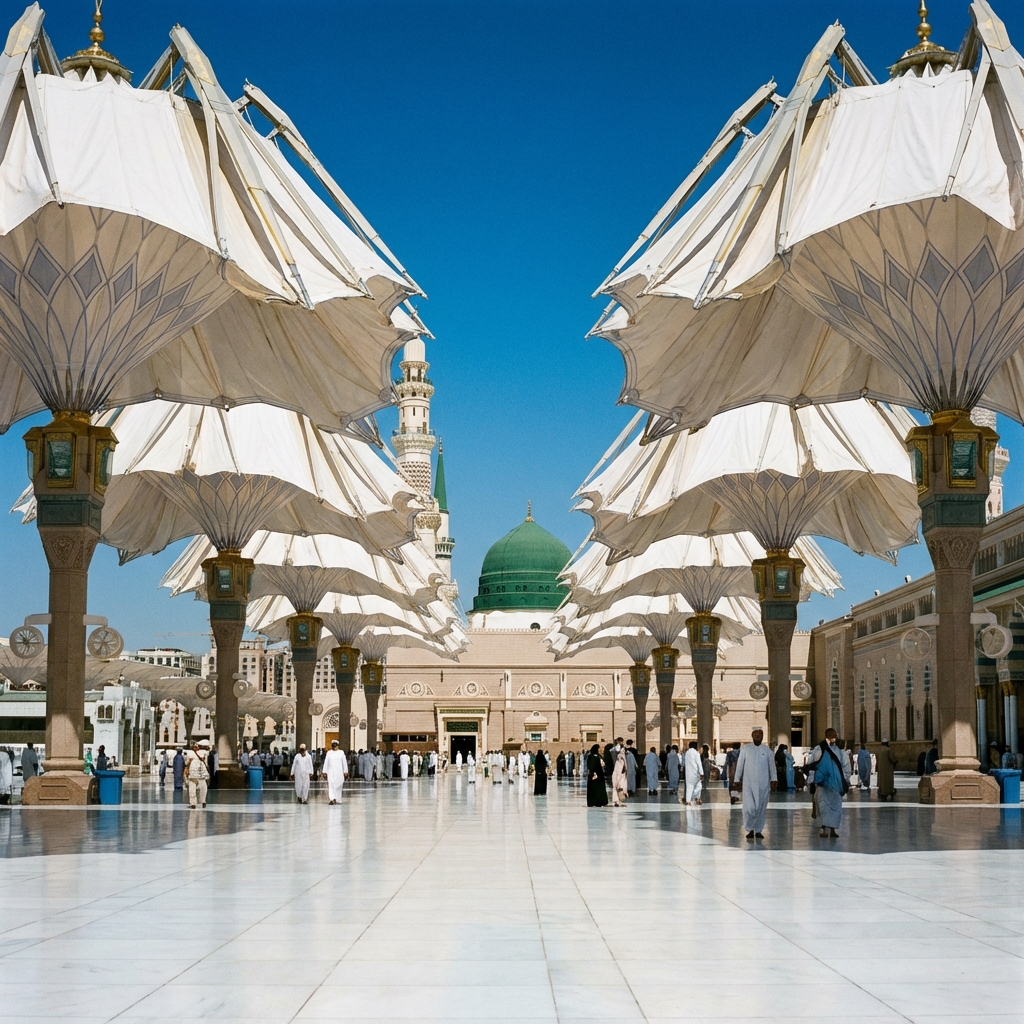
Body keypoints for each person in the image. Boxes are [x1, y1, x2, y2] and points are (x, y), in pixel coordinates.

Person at [734, 729, 777, 841]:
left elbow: (772, 766)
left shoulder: (767, 750)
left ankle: (758, 830)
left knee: (761, 808)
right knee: (749, 808)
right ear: (752, 735)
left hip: (764, 784)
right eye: (756, 734)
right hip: (748, 784)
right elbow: (740, 765)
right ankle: (749, 829)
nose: (758, 736)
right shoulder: (746, 749)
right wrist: (737, 779)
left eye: (760, 734)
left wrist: (774, 779)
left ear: (763, 736)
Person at [808, 728, 849, 839]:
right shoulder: (818, 750)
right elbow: (812, 765)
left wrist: (845, 780)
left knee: (836, 808)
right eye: (830, 736)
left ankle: (833, 829)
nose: (832, 738)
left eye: (834, 736)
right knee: (822, 807)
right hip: (822, 785)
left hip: (836, 785)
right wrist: (812, 781)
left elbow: (845, 767)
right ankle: (823, 829)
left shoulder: (840, 752)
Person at [183, 741, 210, 808]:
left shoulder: (190, 753)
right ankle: (203, 801)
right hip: (201, 772)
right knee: (203, 787)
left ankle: (193, 803)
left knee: (192, 787)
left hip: (192, 772)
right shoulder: (205, 753)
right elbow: (206, 763)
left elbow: (187, 762)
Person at [683, 741, 703, 805]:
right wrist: (701, 773)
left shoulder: (686, 753)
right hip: (695, 772)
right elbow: (699, 764)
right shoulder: (696, 753)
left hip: (688, 773)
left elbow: (683, 763)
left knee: (689, 786)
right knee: (698, 786)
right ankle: (696, 798)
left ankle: (688, 800)